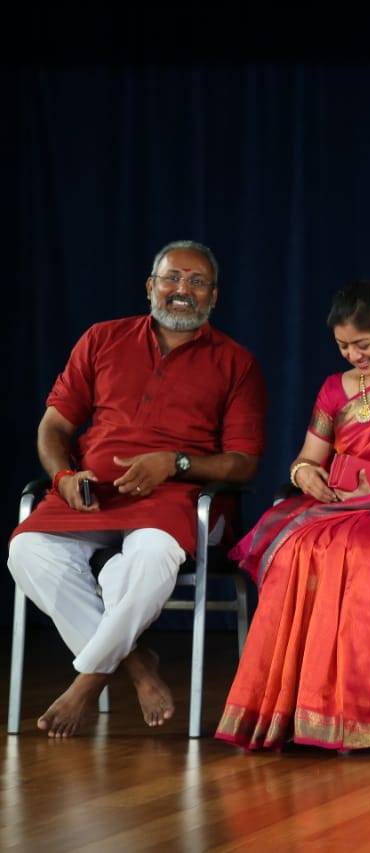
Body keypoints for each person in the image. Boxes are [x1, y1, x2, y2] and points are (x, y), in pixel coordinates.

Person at [8, 240, 266, 737]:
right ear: (151, 286)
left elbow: (243, 463)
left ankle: (85, 685)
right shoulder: (102, 339)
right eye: (172, 278)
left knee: (144, 561)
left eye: (197, 283)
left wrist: (176, 462)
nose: (182, 291)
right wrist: (63, 477)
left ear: (214, 296)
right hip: (91, 493)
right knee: (28, 549)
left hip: (177, 499)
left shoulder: (237, 363)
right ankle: (136, 665)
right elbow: (54, 427)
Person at [216, 281, 370, 751]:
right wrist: (305, 473)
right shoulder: (334, 388)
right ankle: (291, 711)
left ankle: (362, 715)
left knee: (362, 553)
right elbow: (309, 457)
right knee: (293, 549)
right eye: (344, 346)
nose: (354, 356)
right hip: (334, 503)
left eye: (363, 344)